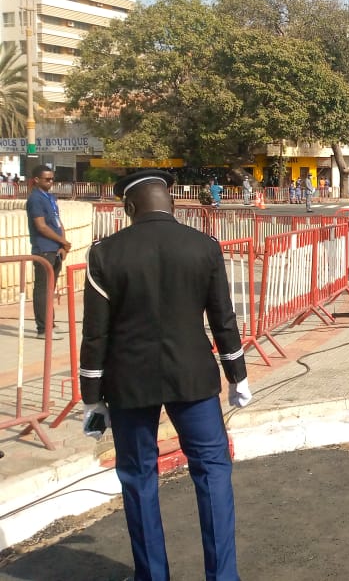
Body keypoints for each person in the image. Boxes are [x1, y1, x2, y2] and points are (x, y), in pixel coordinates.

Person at [79, 170, 252, 581]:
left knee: (139, 478)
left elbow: (95, 334)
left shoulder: (104, 254)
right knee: (212, 472)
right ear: (171, 203)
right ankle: (223, 576)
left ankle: (153, 576)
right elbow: (223, 319)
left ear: (130, 207)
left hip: (128, 384)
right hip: (193, 378)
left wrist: (92, 396)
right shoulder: (203, 247)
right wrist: (238, 375)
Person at [27, 164, 71, 339]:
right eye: (47, 179)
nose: (51, 182)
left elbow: (57, 223)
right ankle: (43, 329)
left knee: (50, 288)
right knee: (42, 289)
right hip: (43, 249)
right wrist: (63, 241)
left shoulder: (50, 198)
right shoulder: (35, 199)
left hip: (55, 248)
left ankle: (50, 323)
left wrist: (63, 245)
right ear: (36, 180)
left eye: (52, 178)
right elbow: (41, 226)